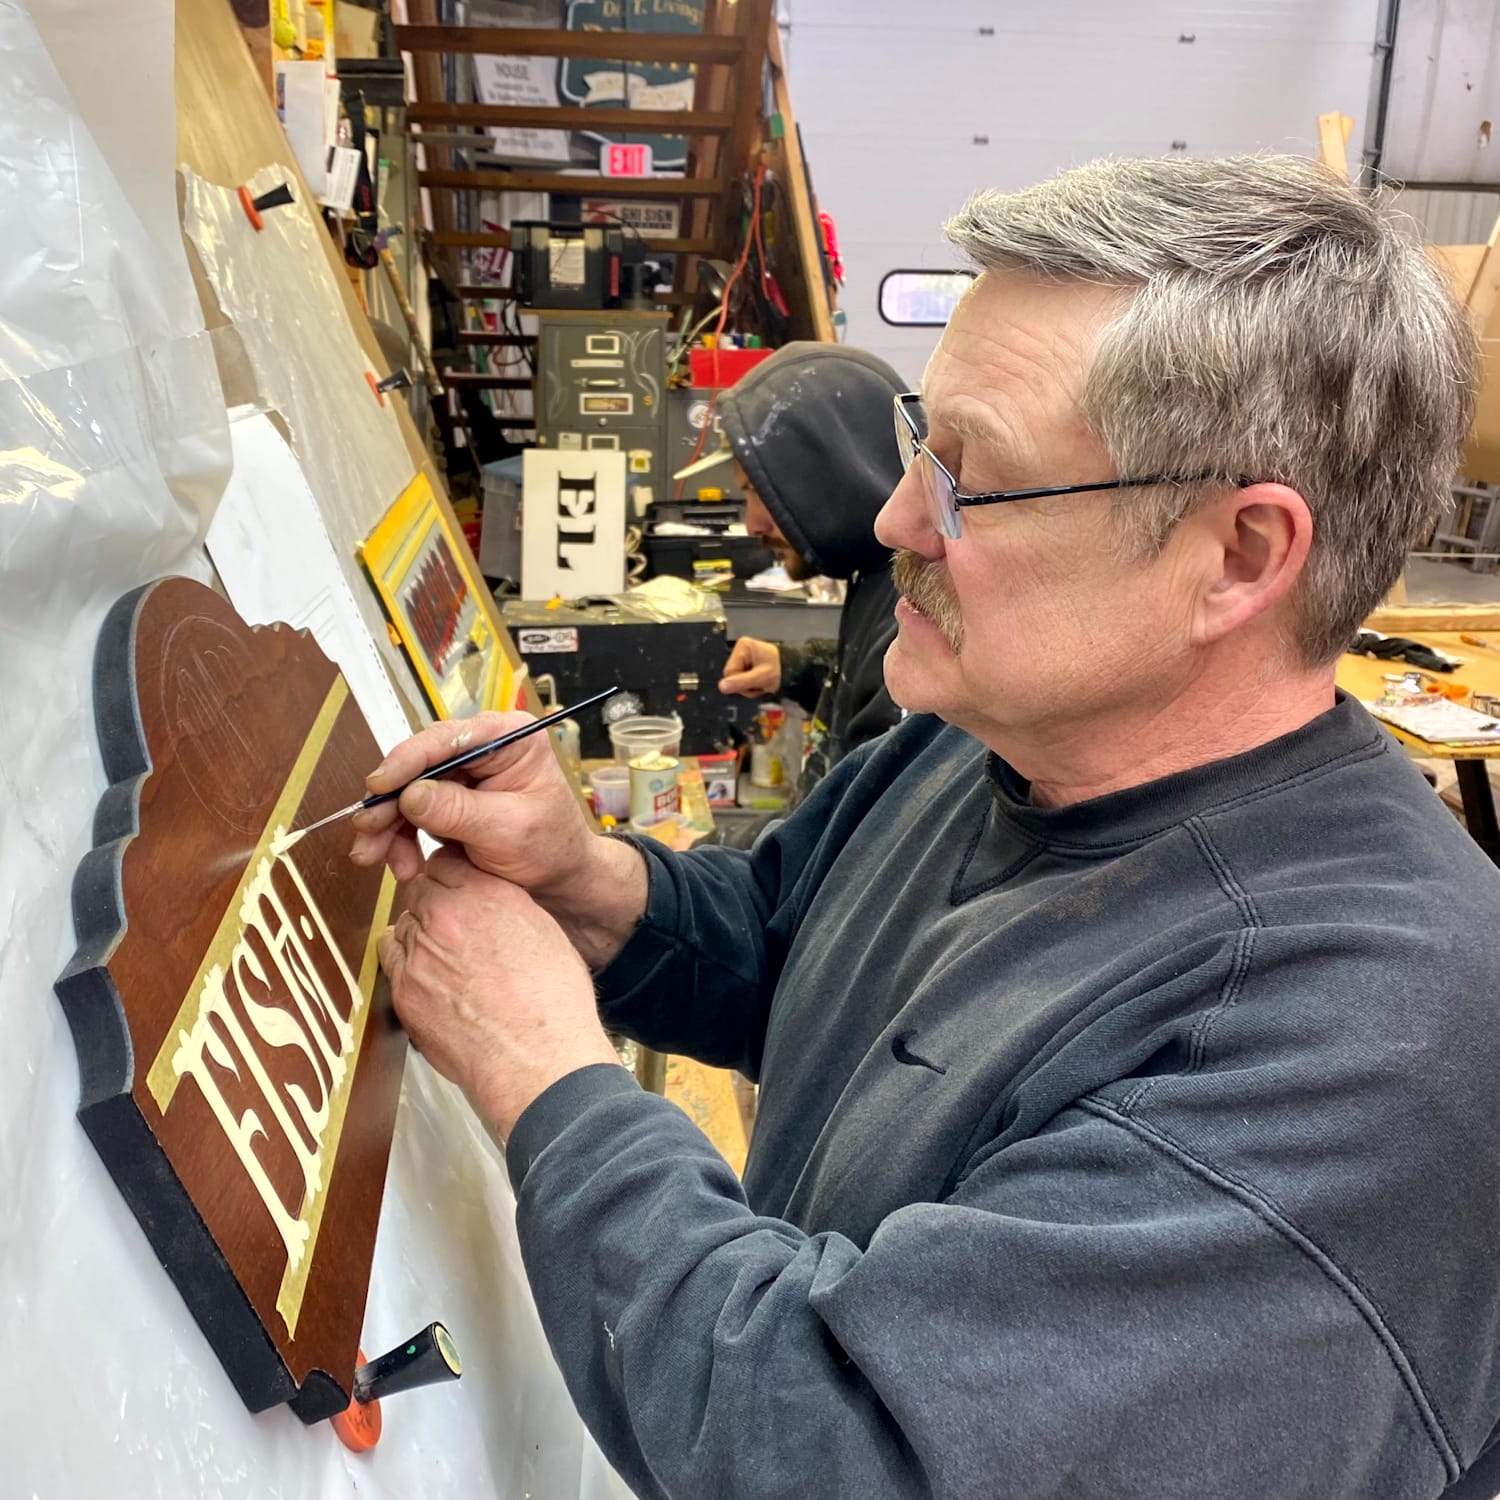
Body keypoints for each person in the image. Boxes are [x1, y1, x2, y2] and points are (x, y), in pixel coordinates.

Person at [350, 155, 1500, 1499]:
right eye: (919, 442)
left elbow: (848, 1452)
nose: (897, 516)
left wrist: (547, 1076)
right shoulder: (983, 738)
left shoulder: (1368, 1046)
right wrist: (585, 882)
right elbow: (790, 944)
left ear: (1239, 555)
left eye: (974, 478)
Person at [711, 343, 906, 790]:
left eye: (762, 492)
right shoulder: (878, 573)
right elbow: (863, 684)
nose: (752, 524)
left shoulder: (913, 612)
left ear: (833, 478)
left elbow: (864, 826)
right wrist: (794, 666)